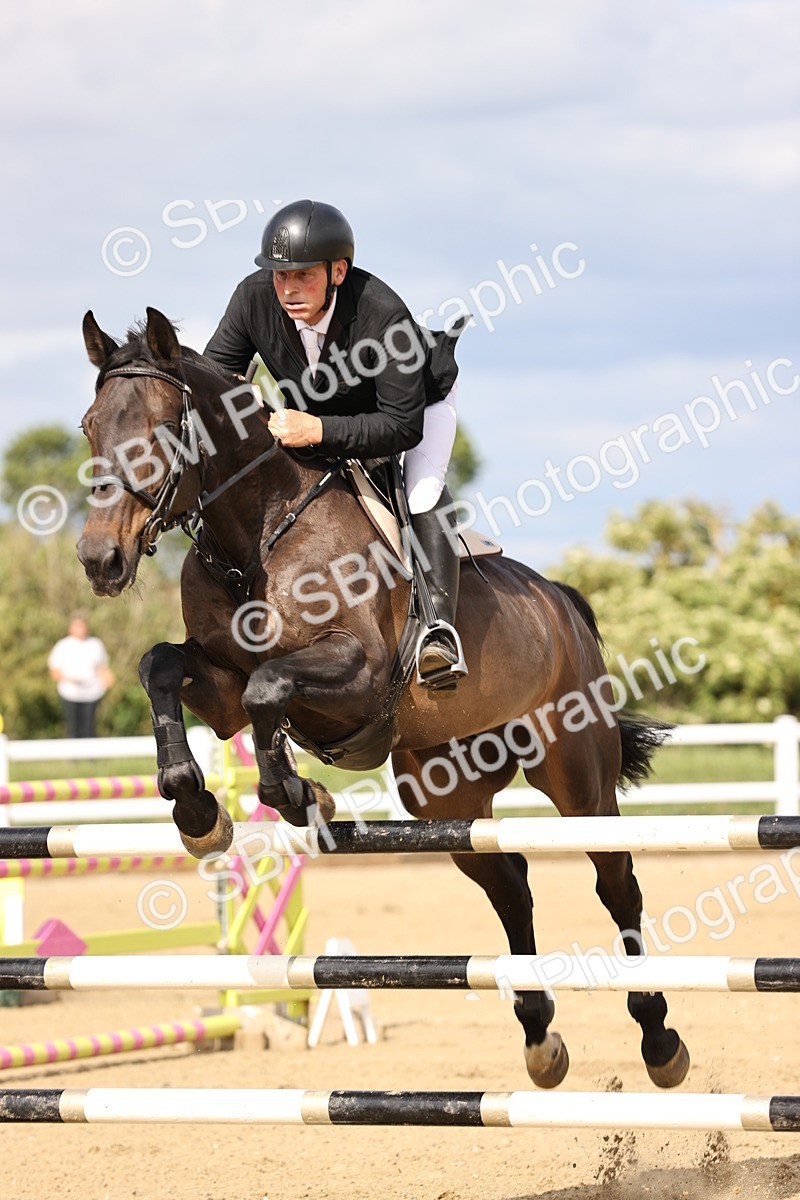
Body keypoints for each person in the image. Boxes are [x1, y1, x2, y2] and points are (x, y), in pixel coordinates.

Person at [204, 199, 467, 690]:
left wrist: (319, 431)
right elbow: (218, 380)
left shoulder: (382, 314)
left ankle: (438, 630)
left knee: (421, 490)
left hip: (416, 405)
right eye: (280, 275)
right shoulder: (252, 299)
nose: (288, 288)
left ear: (338, 271)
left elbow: (400, 426)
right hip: (323, 413)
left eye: (303, 275)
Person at [48, 615, 114, 738]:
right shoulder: (63, 645)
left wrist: (108, 679)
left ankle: (91, 754)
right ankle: (73, 754)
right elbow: (54, 670)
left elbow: (102, 667)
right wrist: (69, 679)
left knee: (89, 724)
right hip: (69, 692)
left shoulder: (95, 644)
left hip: (92, 692)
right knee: (72, 725)